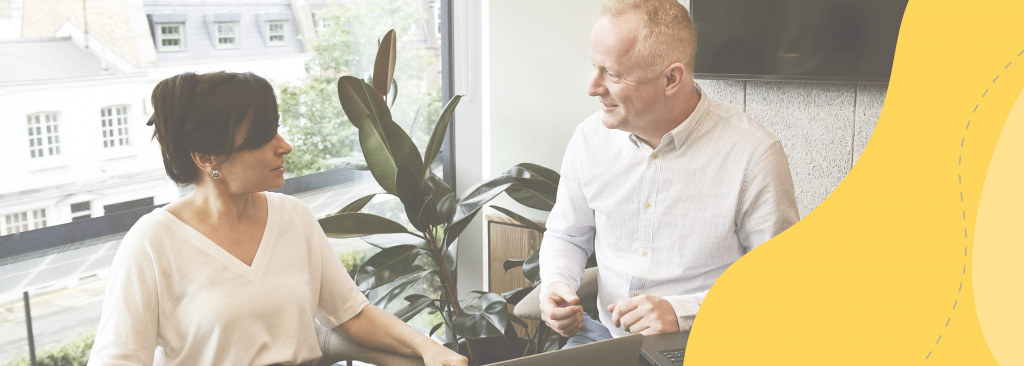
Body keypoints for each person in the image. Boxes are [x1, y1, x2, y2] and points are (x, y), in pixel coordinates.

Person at [88, 71, 467, 366]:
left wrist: (429, 348)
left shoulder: (293, 218)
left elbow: (351, 314)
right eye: (263, 137)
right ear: (207, 158)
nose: (285, 146)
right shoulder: (153, 242)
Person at [538, 0, 799, 347]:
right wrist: (557, 283)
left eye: (613, 74)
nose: (593, 87)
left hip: (705, 344)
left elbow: (778, 284)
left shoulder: (754, 154)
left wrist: (683, 312)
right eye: (595, 67)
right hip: (603, 340)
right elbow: (567, 235)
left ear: (671, 78)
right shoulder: (589, 139)